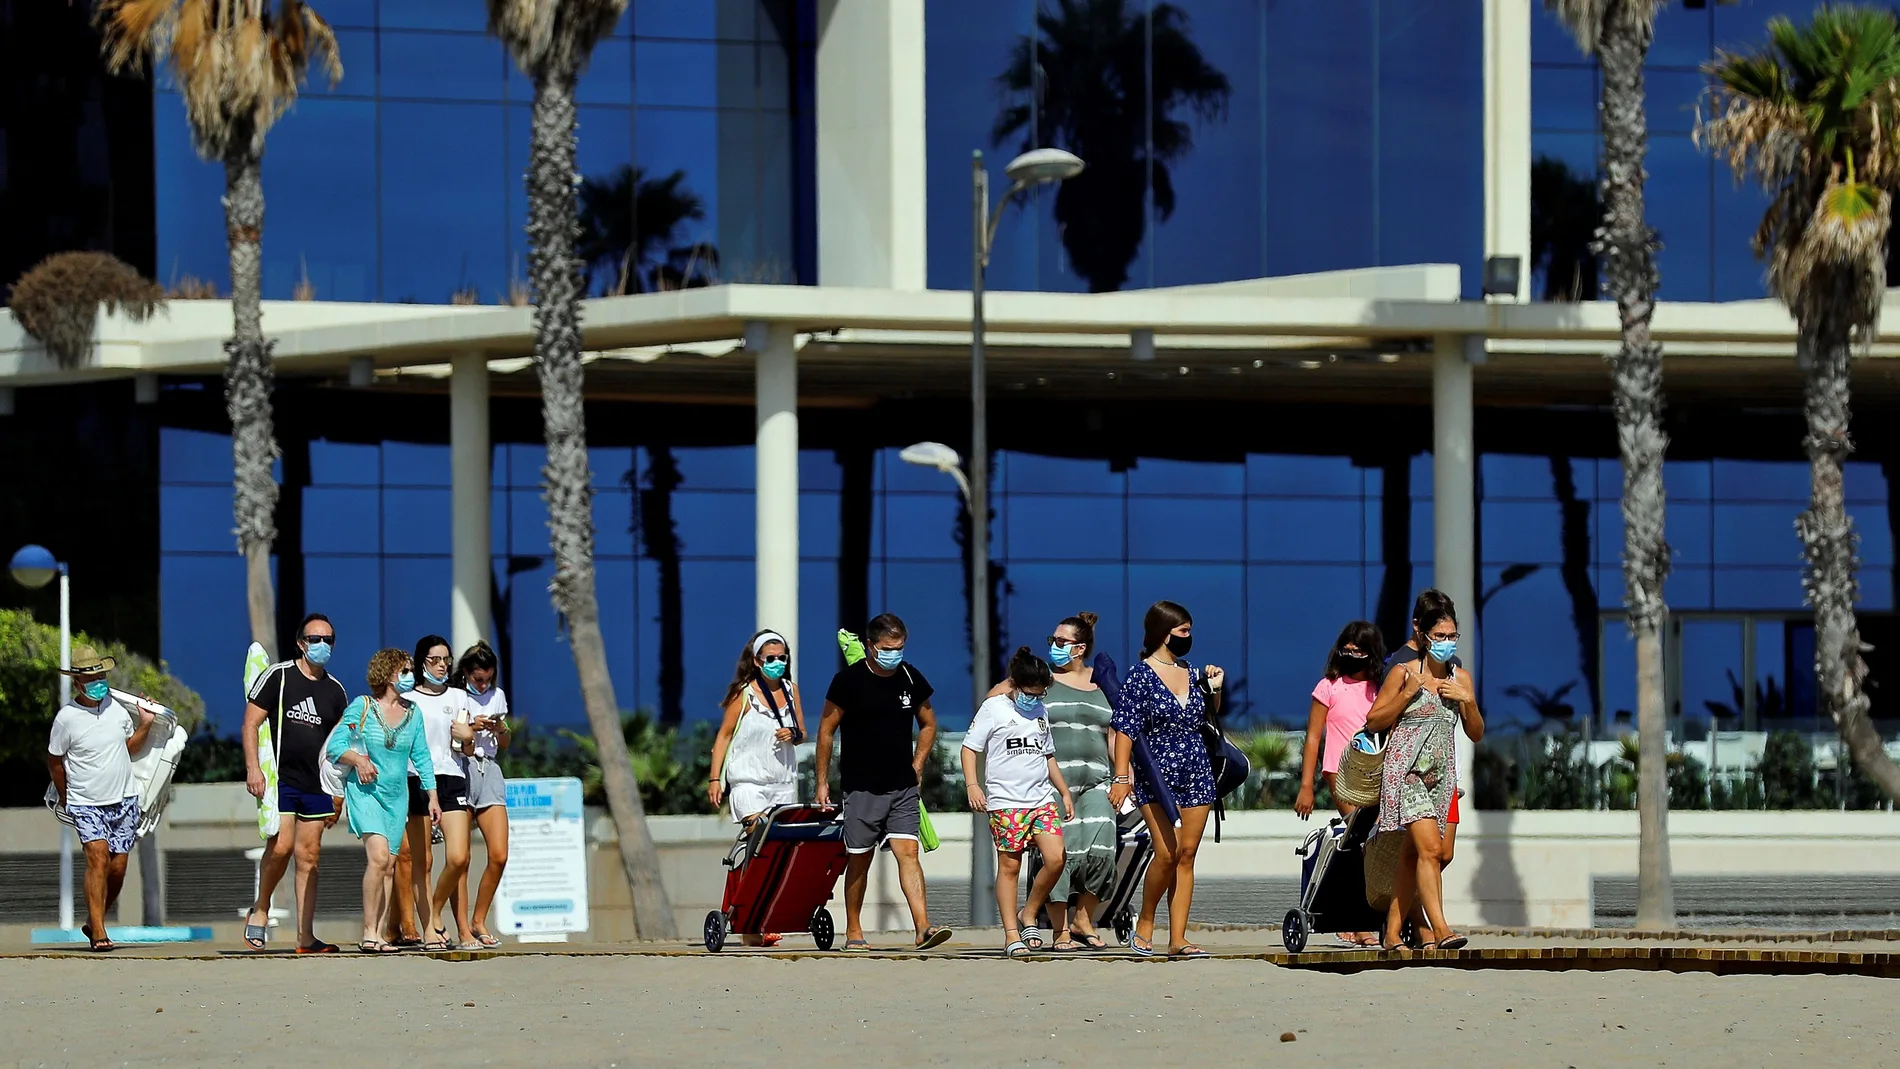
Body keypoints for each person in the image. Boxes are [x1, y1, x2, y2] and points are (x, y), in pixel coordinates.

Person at [814, 613, 953, 953]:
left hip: (902, 786)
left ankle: (922, 928)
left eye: (900, 647)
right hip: (861, 786)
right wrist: (822, 782)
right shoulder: (848, 681)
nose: (895, 654)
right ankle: (855, 931)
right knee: (859, 858)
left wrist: (918, 764)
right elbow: (826, 731)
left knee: (908, 852)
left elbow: (929, 724)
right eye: (888, 648)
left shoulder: (909, 676)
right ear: (870, 646)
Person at [1364, 589, 1485, 952]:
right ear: (1423, 635)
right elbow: (1373, 720)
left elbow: (1476, 733)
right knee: (1430, 850)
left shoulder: (1459, 677)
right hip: (1408, 774)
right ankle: (1441, 928)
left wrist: (1469, 702)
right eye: (1440, 637)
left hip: (1442, 776)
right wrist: (1404, 697)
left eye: (1452, 637)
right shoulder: (1403, 673)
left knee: (1416, 855)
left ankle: (1392, 933)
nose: (1447, 643)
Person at [989, 612, 1117, 950]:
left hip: (1096, 780)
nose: (1054, 646)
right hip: (1049, 781)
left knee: (1104, 845)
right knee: (1062, 854)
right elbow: (995, 700)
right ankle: (1060, 931)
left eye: (1060, 642)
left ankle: (1083, 918)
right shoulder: (1042, 679)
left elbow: (1116, 732)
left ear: (1080, 648)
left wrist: (1123, 775)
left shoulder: (1103, 680)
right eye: (1053, 641)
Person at [1108, 600, 1223, 958]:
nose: (1189, 637)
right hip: (1156, 775)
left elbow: (1208, 717)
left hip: (1196, 771)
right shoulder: (1140, 675)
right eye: (1183, 631)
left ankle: (1178, 938)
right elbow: (1124, 730)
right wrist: (1121, 778)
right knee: (1166, 853)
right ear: (1163, 632)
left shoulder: (1191, 673)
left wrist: (1214, 688)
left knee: (1187, 854)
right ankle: (1145, 921)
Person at [241, 613, 350, 953]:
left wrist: (338, 792)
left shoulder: (335, 691)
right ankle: (261, 908)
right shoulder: (280, 676)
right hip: (281, 780)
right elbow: (250, 724)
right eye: (315, 639)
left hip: (317, 784)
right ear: (301, 643)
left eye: (328, 640)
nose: (322, 646)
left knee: (310, 856)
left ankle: (305, 936)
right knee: (282, 845)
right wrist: (252, 769)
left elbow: (340, 745)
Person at [328, 647, 441, 953]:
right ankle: (367, 930)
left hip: (397, 797)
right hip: (366, 794)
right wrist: (360, 761)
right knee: (378, 858)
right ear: (388, 674)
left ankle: (378, 933)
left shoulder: (413, 713)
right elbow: (336, 746)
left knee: (389, 865)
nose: (410, 677)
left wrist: (432, 796)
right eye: (404, 671)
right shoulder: (362, 707)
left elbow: (421, 757)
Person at [45, 645, 158, 952]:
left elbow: (129, 747)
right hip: (85, 801)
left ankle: (94, 920)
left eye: (102, 675)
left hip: (124, 798)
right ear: (78, 683)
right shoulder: (66, 718)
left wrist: (145, 724)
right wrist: (67, 795)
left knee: (118, 867)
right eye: (92, 677)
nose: (99, 682)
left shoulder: (118, 710)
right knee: (97, 858)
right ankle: (99, 933)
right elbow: (55, 760)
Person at [964, 647, 1075, 958]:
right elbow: (969, 748)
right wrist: (973, 785)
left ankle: (1030, 912)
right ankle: (1011, 934)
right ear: (1014, 684)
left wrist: (1064, 791)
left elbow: (1047, 754)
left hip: (1041, 798)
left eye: (1040, 694)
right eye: (1029, 692)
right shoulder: (994, 708)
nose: (1034, 699)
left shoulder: (1041, 711)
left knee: (1056, 858)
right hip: (1005, 801)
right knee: (1010, 866)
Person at [707, 628, 806, 947]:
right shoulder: (744, 694)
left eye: (782, 658)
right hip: (748, 781)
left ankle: (765, 915)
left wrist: (794, 733)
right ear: (758, 660)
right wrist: (715, 779)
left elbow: (802, 730)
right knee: (758, 836)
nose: (778, 663)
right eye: (771, 658)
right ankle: (749, 922)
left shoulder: (791, 690)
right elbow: (723, 736)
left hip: (782, 782)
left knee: (779, 847)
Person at [1294, 620, 1387, 946]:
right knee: (1360, 839)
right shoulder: (1328, 687)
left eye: (1358, 651)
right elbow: (1313, 738)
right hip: (1340, 773)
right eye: (1346, 649)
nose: (1351, 655)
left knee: (1376, 845)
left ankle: (1372, 915)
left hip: (1376, 774)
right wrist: (1306, 785)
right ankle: (1359, 922)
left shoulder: (1381, 688)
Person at [399, 635, 474, 950]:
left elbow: (465, 748)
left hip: (452, 776)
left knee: (458, 857)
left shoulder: (458, 696)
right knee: (423, 860)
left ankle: (437, 909)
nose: (442, 666)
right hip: (416, 778)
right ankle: (429, 928)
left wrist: (468, 736)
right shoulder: (408, 699)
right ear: (420, 663)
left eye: (446, 660)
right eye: (435, 660)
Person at [452, 641, 510, 948]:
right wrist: (470, 727)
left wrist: (499, 728)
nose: (483, 684)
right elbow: (448, 736)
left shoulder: (497, 696)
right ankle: (462, 926)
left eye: (488, 678)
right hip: (461, 768)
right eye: (478, 678)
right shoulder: (455, 696)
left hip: (489, 768)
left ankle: (479, 919)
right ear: (465, 673)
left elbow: (506, 743)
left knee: (499, 854)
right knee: (461, 857)